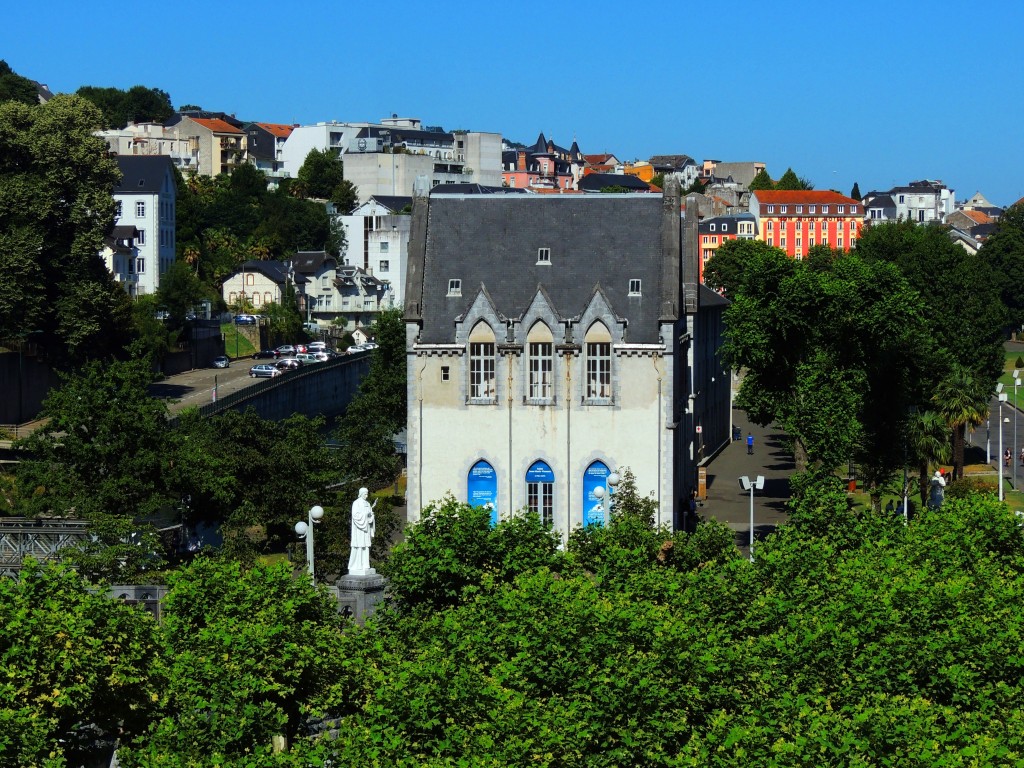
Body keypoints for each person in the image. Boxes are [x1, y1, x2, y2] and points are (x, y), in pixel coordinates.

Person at [347, 487, 376, 575]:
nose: (366, 496)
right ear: (361, 494)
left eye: (367, 494)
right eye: (365, 494)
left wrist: (371, 516)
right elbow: (355, 515)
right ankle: (358, 565)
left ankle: (366, 564)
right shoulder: (356, 503)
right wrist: (365, 514)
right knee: (359, 546)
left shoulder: (367, 503)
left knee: (366, 546)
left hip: (366, 529)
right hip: (359, 529)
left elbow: (369, 517)